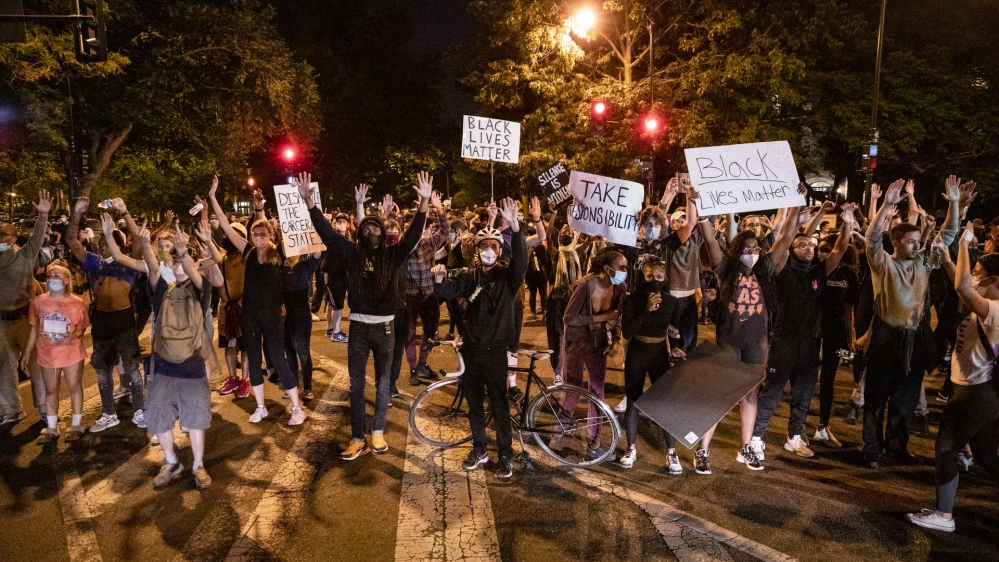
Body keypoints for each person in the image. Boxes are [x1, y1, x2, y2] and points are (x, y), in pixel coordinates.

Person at [304, 171, 430, 460]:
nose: (371, 233)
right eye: (366, 230)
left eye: (376, 230)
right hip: (359, 329)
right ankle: (358, 437)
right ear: (359, 235)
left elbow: (413, 235)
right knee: (357, 384)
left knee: (383, 382)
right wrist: (310, 202)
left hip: (385, 330)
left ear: (383, 235)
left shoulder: (393, 255)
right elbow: (326, 232)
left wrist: (424, 202)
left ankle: (377, 431)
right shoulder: (351, 254)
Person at [697, 186, 804, 475]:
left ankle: (746, 448)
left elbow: (785, 237)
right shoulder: (726, 268)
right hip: (729, 342)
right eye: (746, 249)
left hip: (757, 344)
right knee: (720, 395)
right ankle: (703, 450)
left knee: (751, 396)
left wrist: (794, 205)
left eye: (755, 249)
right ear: (736, 251)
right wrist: (702, 216)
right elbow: (709, 240)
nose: (751, 253)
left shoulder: (765, 268)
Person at [862, 177, 960, 468]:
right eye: (911, 242)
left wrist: (954, 203)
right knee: (876, 399)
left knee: (905, 400)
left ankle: (896, 447)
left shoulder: (923, 263)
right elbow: (871, 238)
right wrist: (887, 206)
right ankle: (872, 450)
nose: (917, 246)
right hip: (885, 339)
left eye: (919, 242)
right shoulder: (882, 263)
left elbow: (949, 234)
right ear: (895, 241)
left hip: (914, 339)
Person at [907, 222, 999, 532]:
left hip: (977, 392)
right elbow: (961, 284)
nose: (973, 278)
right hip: (982, 393)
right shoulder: (989, 305)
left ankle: (944, 516)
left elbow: (963, 288)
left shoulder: (996, 309)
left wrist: (962, 245)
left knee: (946, 448)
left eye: (978, 273)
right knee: (986, 456)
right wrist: (947, 260)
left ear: (994, 280)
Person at [749, 203, 853, 468]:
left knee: (804, 392)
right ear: (793, 250)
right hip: (784, 339)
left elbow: (840, 249)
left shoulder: (820, 271)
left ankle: (795, 435)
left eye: (811, 245)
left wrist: (848, 222)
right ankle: (756, 437)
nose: (809, 248)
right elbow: (781, 245)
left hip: (810, 340)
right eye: (802, 245)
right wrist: (794, 218)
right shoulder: (784, 270)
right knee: (772, 390)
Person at [432, 198, 526, 480]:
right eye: (483, 246)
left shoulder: (508, 278)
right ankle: (480, 449)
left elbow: (521, 260)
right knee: (474, 405)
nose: (488, 250)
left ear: (500, 251)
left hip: (496, 351)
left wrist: (517, 228)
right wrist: (438, 277)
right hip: (471, 351)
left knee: (499, 405)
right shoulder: (468, 275)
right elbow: (448, 289)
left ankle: (506, 455)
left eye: (493, 247)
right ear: (476, 249)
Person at [208, 176, 307, 427]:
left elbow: (298, 229)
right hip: (249, 314)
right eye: (255, 233)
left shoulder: (280, 252)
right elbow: (225, 226)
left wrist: (298, 198)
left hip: (273, 314)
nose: (259, 236)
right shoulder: (248, 251)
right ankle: (260, 406)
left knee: (277, 355)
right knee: (252, 356)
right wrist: (212, 197)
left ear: (271, 234)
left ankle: (297, 407)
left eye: (263, 233)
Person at [136, 223, 214, 489]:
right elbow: (153, 270)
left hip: (192, 368)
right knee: (158, 416)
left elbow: (194, 271)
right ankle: (170, 461)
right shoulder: (162, 292)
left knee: (195, 420)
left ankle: (198, 465)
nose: (182, 268)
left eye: (187, 264)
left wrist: (183, 252)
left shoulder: (202, 292)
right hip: (165, 367)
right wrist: (146, 245)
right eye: (178, 264)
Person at [65, 198, 147, 433]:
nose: (103, 245)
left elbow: (140, 241)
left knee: (131, 368)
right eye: (100, 241)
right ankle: (109, 413)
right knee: (102, 370)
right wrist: (77, 213)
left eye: (108, 241)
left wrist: (125, 211)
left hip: (124, 321)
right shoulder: (93, 263)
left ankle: (139, 411)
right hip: (101, 322)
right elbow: (71, 240)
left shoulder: (128, 263)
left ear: (119, 245)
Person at [561, 249, 628, 460]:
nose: (625, 271)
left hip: (598, 344)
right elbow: (569, 318)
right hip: (576, 342)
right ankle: (558, 433)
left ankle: (594, 443)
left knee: (597, 395)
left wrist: (615, 338)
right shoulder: (585, 286)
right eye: (621, 267)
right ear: (607, 269)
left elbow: (616, 316)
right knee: (572, 389)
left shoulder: (620, 288)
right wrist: (601, 318)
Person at [618, 258, 683, 471]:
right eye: (649, 276)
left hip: (658, 355)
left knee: (665, 402)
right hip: (638, 351)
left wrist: (674, 346)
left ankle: (672, 452)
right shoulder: (632, 300)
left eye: (658, 277)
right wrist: (646, 311)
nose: (654, 280)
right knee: (634, 400)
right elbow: (627, 332)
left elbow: (674, 328)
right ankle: (631, 447)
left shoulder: (671, 302)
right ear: (642, 277)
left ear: (665, 278)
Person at [0, 190, 50, 426]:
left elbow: (38, 237)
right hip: (2, 322)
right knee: (3, 367)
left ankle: (43, 409)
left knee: (36, 365)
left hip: (25, 319)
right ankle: (12, 410)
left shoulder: (26, 255)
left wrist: (43, 215)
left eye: (3, 234)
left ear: (13, 236)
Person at [23, 264, 89, 442]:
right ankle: (51, 428)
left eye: (57, 275)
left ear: (67, 280)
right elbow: (34, 328)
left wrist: (73, 335)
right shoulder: (38, 302)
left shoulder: (77, 302)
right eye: (50, 275)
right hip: (47, 353)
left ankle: (76, 425)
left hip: (71, 352)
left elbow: (82, 328)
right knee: (51, 390)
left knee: (74, 387)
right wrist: (28, 352)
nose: (52, 278)